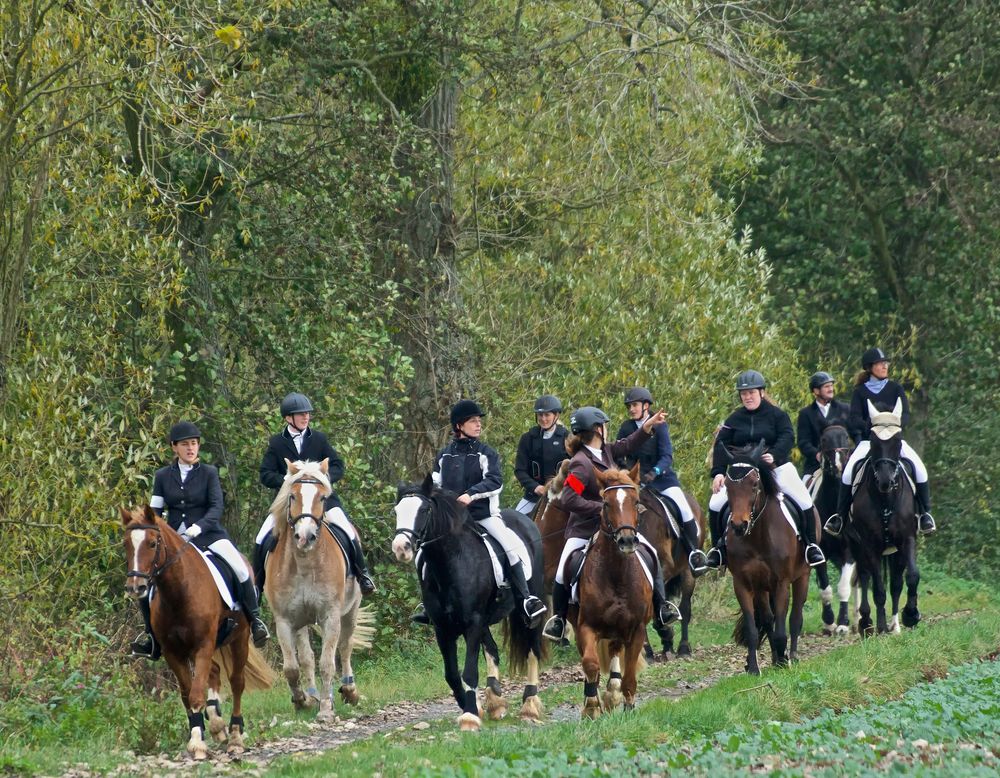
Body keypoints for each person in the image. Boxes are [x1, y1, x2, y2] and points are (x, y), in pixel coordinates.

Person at [130, 421, 270, 658]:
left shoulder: (209, 473)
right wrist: (150, 525)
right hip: (174, 541)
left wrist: (199, 526)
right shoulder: (162, 476)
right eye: (185, 445)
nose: (191, 448)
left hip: (208, 535)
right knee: (145, 579)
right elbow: (154, 512)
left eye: (194, 444)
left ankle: (255, 620)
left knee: (241, 569)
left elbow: (216, 506)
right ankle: (151, 637)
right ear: (174, 447)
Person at [542, 405, 680, 642]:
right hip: (585, 528)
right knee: (563, 571)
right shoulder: (579, 464)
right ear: (597, 429)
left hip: (614, 527)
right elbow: (569, 498)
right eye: (604, 426)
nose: (607, 429)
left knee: (651, 555)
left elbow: (627, 444)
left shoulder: (605, 451)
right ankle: (559, 620)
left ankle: (661, 608)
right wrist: (603, 509)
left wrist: (647, 428)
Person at [412, 399, 548, 627]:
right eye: (472, 421)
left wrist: (470, 494)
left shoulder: (487, 453)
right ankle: (428, 603)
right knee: (422, 552)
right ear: (459, 426)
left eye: (478, 421)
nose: (478, 425)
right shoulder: (444, 456)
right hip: (453, 520)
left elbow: (495, 481)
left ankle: (526, 599)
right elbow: (434, 483)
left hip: (484, 516)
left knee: (511, 549)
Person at [252, 392, 376, 598]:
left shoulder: (318, 439)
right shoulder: (276, 443)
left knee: (347, 529)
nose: (306, 417)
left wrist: (323, 477)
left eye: (307, 414)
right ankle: (257, 586)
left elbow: (338, 465)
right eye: (300, 414)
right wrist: (287, 480)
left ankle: (363, 575)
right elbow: (265, 474)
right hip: (289, 503)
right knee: (261, 537)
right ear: (288, 418)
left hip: (322, 501)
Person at [703, 371, 826, 572]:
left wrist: (775, 454)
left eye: (751, 392)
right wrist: (717, 472)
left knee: (804, 500)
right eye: (743, 394)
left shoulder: (777, 415)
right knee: (716, 503)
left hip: (776, 469)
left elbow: (787, 437)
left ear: (761, 392)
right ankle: (719, 550)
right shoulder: (734, 419)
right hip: (743, 474)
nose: (747, 397)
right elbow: (720, 446)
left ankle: (811, 546)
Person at [823, 348, 936, 536]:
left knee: (920, 468)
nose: (885, 366)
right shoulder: (860, 392)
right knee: (847, 474)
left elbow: (905, 414)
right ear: (870, 368)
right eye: (880, 363)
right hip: (870, 442)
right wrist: (872, 425)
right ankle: (839, 518)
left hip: (893, 442)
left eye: (886, 363)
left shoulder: (896, 388)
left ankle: (925, 515)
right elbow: (854, 419)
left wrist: (894, 425)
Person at [615, 387, 707, 573]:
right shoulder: (626, 427)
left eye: (634, 405)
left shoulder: (660, 426)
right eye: (629, 406)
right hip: (636, 481)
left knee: (684, 509)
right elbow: (618, 455)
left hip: (662, 480)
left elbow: (667, 456)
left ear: (646, 406)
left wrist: (654, 472)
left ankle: (694, 553)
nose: (631, 409)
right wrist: (625, 472)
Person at [512, 394, 570, 516]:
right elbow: (520, 470)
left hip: (562, 495)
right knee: (513, 523)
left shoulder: (568, 438)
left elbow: (577, 470)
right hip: (533, 497)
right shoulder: (527, 438)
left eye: (547, 415)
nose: (543, 419)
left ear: (556, 415)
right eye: (540, 415)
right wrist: (535, 487)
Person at [796, 371, 850, 485]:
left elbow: (855, 434)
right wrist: (817, 454)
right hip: (816, 465)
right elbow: (803, 442)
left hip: (844, 463)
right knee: (803, 496)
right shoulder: (806, 413)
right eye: (826, 386)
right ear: (816, 391)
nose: (831, 389)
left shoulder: (845, 409)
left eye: (831, 385)